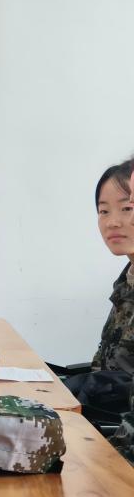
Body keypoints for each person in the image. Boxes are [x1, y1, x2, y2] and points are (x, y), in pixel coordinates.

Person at [91, 159, 134, 372]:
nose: (112, 222)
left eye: (127, 208)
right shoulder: (125, 283)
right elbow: (104, 366)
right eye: (104, 211)